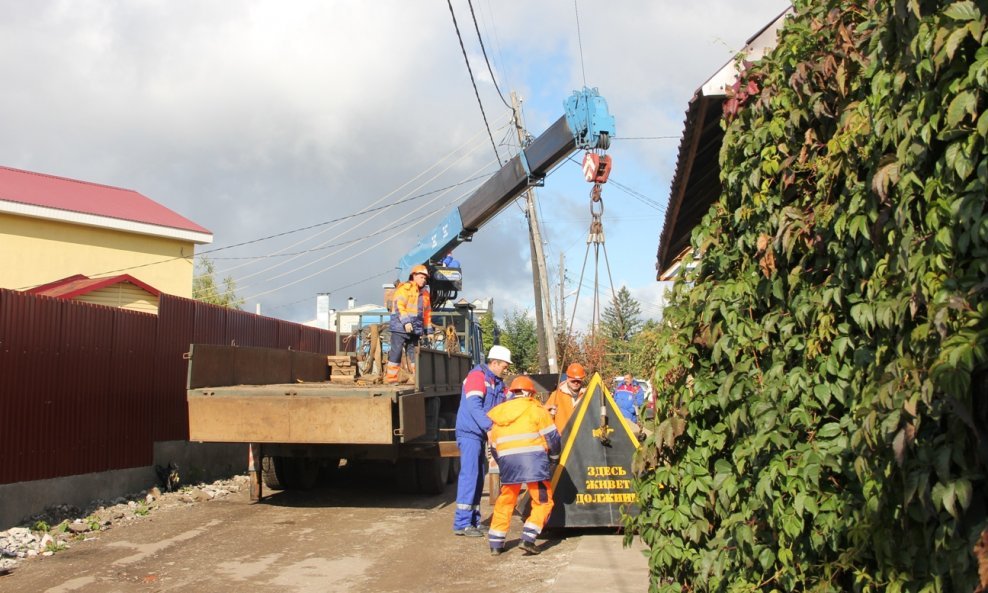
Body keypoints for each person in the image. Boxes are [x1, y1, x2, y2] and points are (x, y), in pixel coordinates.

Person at [487, 375, 561, 556]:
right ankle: (528, 538)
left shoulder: (500, 413)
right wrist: (554, 458)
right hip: (533, 462)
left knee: (506, 500)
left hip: (508, 463)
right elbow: (553, 438)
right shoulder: (536, 410)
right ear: (529, 392)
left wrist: (503, 463)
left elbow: (494, 446)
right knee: (543, 500)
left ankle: (496, 543)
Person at [452, 344, 511, 537]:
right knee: (470, 475)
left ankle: (474, 520)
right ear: (494, 363)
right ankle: (462, 523)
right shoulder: (477, 377)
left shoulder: (497, 382)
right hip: (470, 433)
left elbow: (507, 402)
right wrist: (490, 428)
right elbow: (474, 406)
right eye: (504, 365)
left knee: (478, 477)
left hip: (479, 434)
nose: (506, 369)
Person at [385, 264, 431, 384]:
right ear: (414, 276)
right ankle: (391, 379)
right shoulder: (405, 288)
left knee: (414, 354)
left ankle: (418, 379)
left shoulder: (425, 294)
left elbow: (427, 314)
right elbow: (399, 305)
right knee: (397, 352)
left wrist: (429, 331)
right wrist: (406, 322)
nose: (424, 280)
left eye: (425, 278)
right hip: (400, 327)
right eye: (421, 277)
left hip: (415, 329)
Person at [543, 362, 587, 434]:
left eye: (578, 381)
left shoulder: (586, 395)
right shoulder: (556, 395)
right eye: (573, 381)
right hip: (562, 441)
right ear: (567, 378)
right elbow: (545, 419)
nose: (576, 383)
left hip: (581, 440)